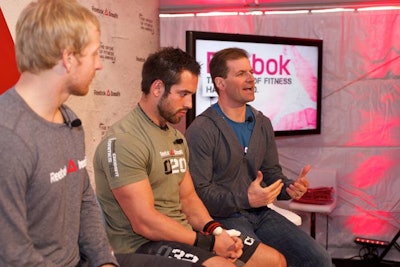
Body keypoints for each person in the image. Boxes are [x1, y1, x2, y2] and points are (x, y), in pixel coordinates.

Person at [0, 1, 199, 266]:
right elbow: (12, 254)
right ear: (68, 57)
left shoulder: (70, 122)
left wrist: (105, 261)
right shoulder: (9, 136)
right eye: (94, 54)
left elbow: (85, 205)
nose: (99, 65)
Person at [93, 47, 286, 267]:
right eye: (183, 94)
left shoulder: (176, 137)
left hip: (182, 235)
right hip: (140, 245)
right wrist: (208, 243)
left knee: (274, 261)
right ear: (157, 88)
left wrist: (216, 231)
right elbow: (144, 223)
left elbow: (189, 199)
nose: (189, 104)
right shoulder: (125, 141)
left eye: (191, 95)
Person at [185, 47, 333, 267]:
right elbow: (199, 194)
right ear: (220, 83)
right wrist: (245, 199)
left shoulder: (262, 123)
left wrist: (289, 188)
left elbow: (271, 174)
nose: (251, 79)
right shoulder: (202, 129)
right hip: (223, 218)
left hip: (260, 214)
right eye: (241, 74)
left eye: (251, 72)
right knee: (264, 263)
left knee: (319, 259)